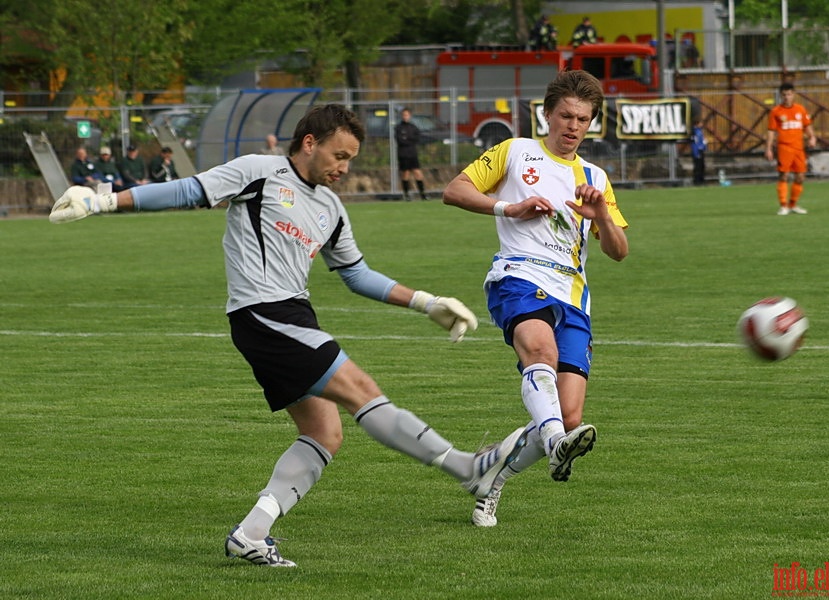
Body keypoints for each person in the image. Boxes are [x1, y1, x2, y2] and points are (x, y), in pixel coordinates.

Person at [48, 104, 526, 567]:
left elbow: (357, 275)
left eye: (351, 160)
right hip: (264, 314)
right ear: (310, 142)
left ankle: (250, 534)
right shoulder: (260, 171)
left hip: (293, 316)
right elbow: (187, 190)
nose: (344, 167)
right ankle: (466, 469)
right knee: (361, 392)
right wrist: (103, 199)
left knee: (324, 432)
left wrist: (427, 302)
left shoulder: (332, 208)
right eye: (339, 155)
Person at [443, 70, 629, 527]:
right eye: (566, 115)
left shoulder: (594, 177)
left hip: (574, 296)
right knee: (539, 352)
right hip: (518, 276)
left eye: (583, 119)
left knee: (569, 415)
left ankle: (491, 475)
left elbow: (619, 251)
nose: (573, 126)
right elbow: (455, 190)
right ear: (546, 114)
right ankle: (553, 444)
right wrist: (511, 206)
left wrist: (601, 214)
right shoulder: (515, 152)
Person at [765, 82, 817, 215]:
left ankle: (793, 204)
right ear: (780, 96)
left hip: (799, 148)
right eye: (784, 95)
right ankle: (783, 205)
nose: (787, 97)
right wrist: (769, 148)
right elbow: (771, 130)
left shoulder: (800, 109)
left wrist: (812, 137)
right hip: (784, 147)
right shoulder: (776, 111)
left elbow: (807, 125)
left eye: (789, 94)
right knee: (784, 175)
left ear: (793, 94)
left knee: (800, 176)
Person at [395, 108, 427, 201]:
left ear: (410, 116)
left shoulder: (413, 127)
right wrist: (409, 139)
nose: (405, 117)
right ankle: (406, 194)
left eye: (407, 115)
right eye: (404, 115)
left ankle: (422, 194)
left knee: (418, 173)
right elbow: (400, 140)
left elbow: (417, 138)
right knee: (405, 174)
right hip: (403, 154)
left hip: (412, 154)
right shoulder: (399, 127)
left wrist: (408, 139)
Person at [691, 118, 707, 185]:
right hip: (697, 151)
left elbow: (701, 140)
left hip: (701, 150)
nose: (702, 124)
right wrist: (696, 153)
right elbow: (694, 143)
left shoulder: (700, 131)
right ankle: (697, 181)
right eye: (700, 123)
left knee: (702, 166)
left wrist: (704, 146)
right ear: (697, 124)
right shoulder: (694, 132)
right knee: (698, 167)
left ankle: (701, 180)